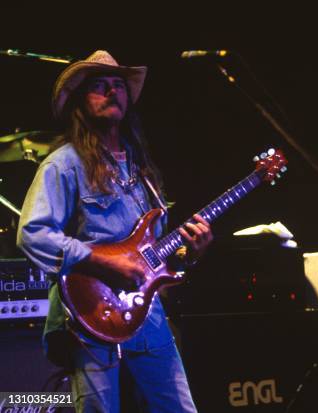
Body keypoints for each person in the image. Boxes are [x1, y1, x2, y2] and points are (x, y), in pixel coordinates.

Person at [17, 50, 212, 412]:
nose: (112, 92)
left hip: (146, 313)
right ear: (80, 102)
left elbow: (158, 254)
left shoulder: (142, 170)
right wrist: (103, 263)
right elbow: (32, 233)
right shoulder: (64, 165)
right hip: (89, 313)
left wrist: (190, 252)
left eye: (118, 85)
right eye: (99, 86)